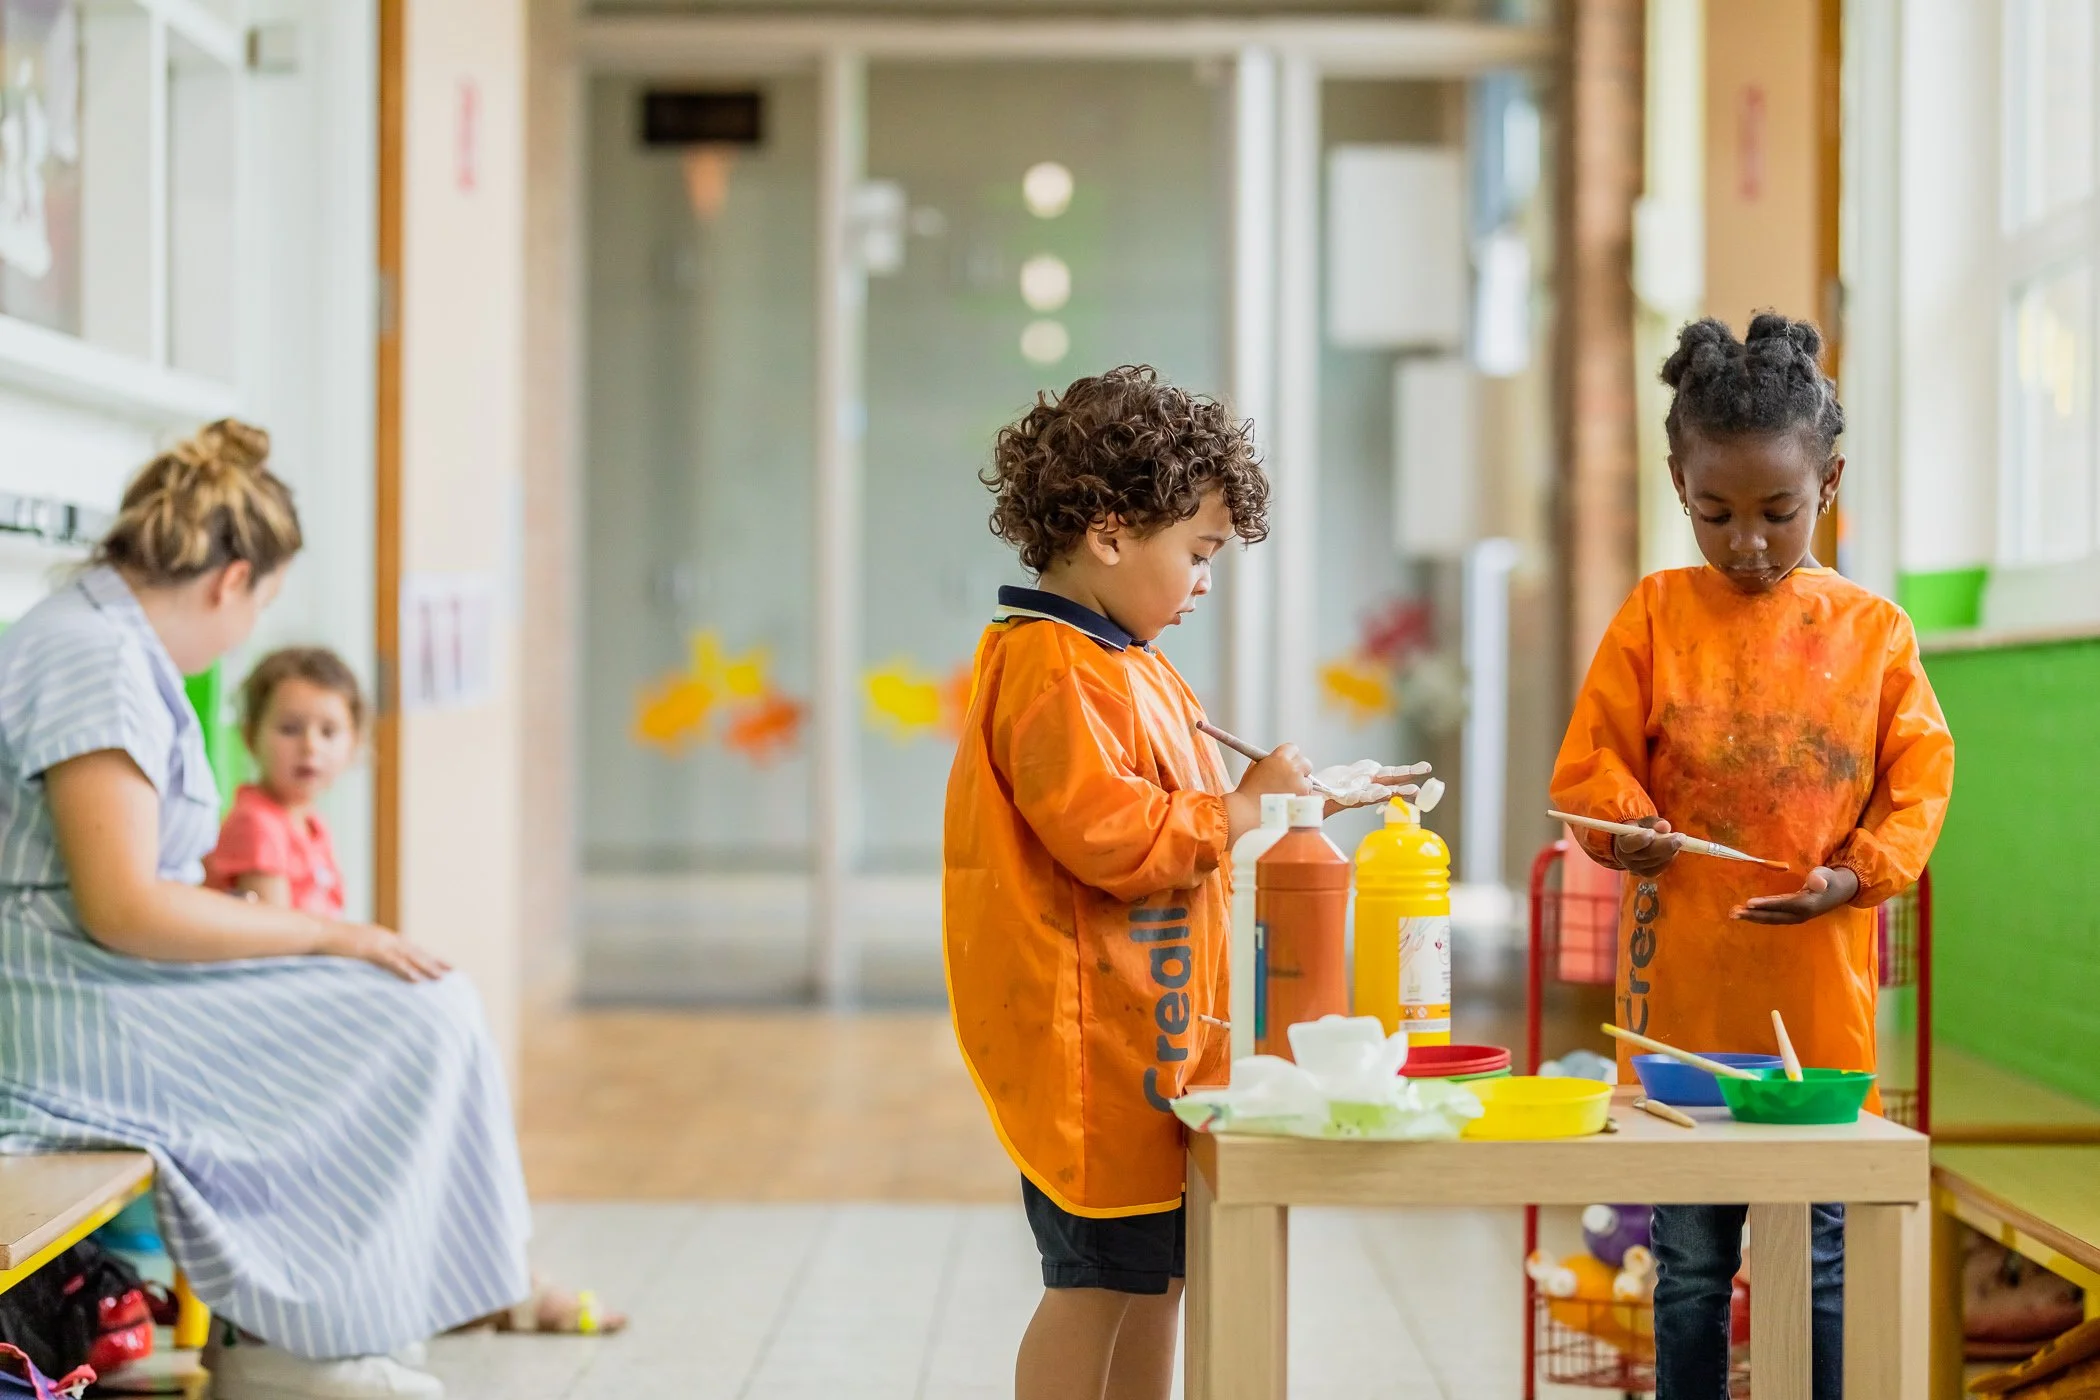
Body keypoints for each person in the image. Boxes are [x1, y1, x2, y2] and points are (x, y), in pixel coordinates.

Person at [0, 421, 587, 1400]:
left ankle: (324, 1320)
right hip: (66, 1003)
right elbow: (124, 907)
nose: (244, 630)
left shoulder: (102, 641)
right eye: (260, 603)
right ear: (234, 581)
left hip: (91, 976)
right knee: (409, 1011)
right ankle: (293, 1337)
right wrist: (329, 932)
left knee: (417, 999)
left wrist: (319, 943)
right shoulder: (93, 658)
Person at [944, 366, 1419, 1400]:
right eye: (1197, 553)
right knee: (1096, 1282)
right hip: (1089, 1049)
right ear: (1111, 532)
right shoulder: (1052, 666)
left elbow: (1189, 811)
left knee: (1158, 1274)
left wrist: (1292, 801)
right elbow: (1113, 835)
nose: (1205, 580)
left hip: (1146, 1034)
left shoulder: (1127, 657)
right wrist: (1245, 808)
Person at [1550, 314, 1955, 1399]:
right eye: (1713, 512)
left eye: (1778, 511)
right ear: (1678, 479)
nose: (1747, 543)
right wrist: (1626, 826)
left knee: (1817, 1260)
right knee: (1689, 1265)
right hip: (1683, 1008)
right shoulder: (1652, 614)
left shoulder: (1876, 633)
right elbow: (1589, 765)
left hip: (1817, 1009)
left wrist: (1855, 873)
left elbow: (1919, 782)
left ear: (1829, 480)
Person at [204, 648, 361, 914]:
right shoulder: (256, 825)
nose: (310, 746)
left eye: (328, 732)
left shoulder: (314, 826)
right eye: (290, 729)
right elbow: (275, 937)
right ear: (250, 736)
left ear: (353, 745)